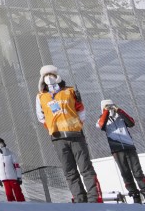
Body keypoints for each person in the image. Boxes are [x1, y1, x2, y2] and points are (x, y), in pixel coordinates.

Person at [35, 64, 100, 202]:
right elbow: (40, 117)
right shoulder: (41, 97)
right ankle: (79, 199)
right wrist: (52, 128)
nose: (49, 78)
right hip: (58, 138)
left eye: (51, 74)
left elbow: (81, 110)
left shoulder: (70, 91)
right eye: (46, 75)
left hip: (75, 135)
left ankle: (94, 198)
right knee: (69, 171)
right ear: (42, 79)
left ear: (57, 76)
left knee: (85, 168)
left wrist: (77, 125)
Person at [97, 99, 145, 204]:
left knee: (138, 172)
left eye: (110, 105)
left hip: (129, 147)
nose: (109, 107)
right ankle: (135, 197)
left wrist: (118, 110)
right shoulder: (102, 119)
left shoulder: (120, 117)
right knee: (125, 174)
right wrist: (105, 112)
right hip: (117, 150)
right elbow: (100, 125)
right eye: (106, 106)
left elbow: (131, 123)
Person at [0, 137, 25, 201]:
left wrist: (19, 177)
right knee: (9, 195)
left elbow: (16, 166)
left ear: (4, 143)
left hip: (13, 177)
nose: (0, 145)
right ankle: (12, 207)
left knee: (18, 193)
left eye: (1, 143)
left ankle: (23, 206)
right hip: (4, 178)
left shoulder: (10, 153)